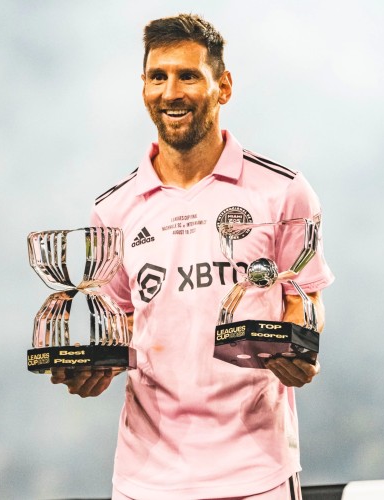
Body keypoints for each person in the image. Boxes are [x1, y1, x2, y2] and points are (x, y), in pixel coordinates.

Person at [51, 13, 334, 500]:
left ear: (223, 87)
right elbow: (120, 318)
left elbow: (303, 296)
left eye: (188, 76)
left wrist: (299, 347)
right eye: (158, 77)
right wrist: (93, 366)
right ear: (143, 86)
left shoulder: (283, 190)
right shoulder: (113, 209)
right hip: (146, 477)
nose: (171, 92)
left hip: (256, 471)